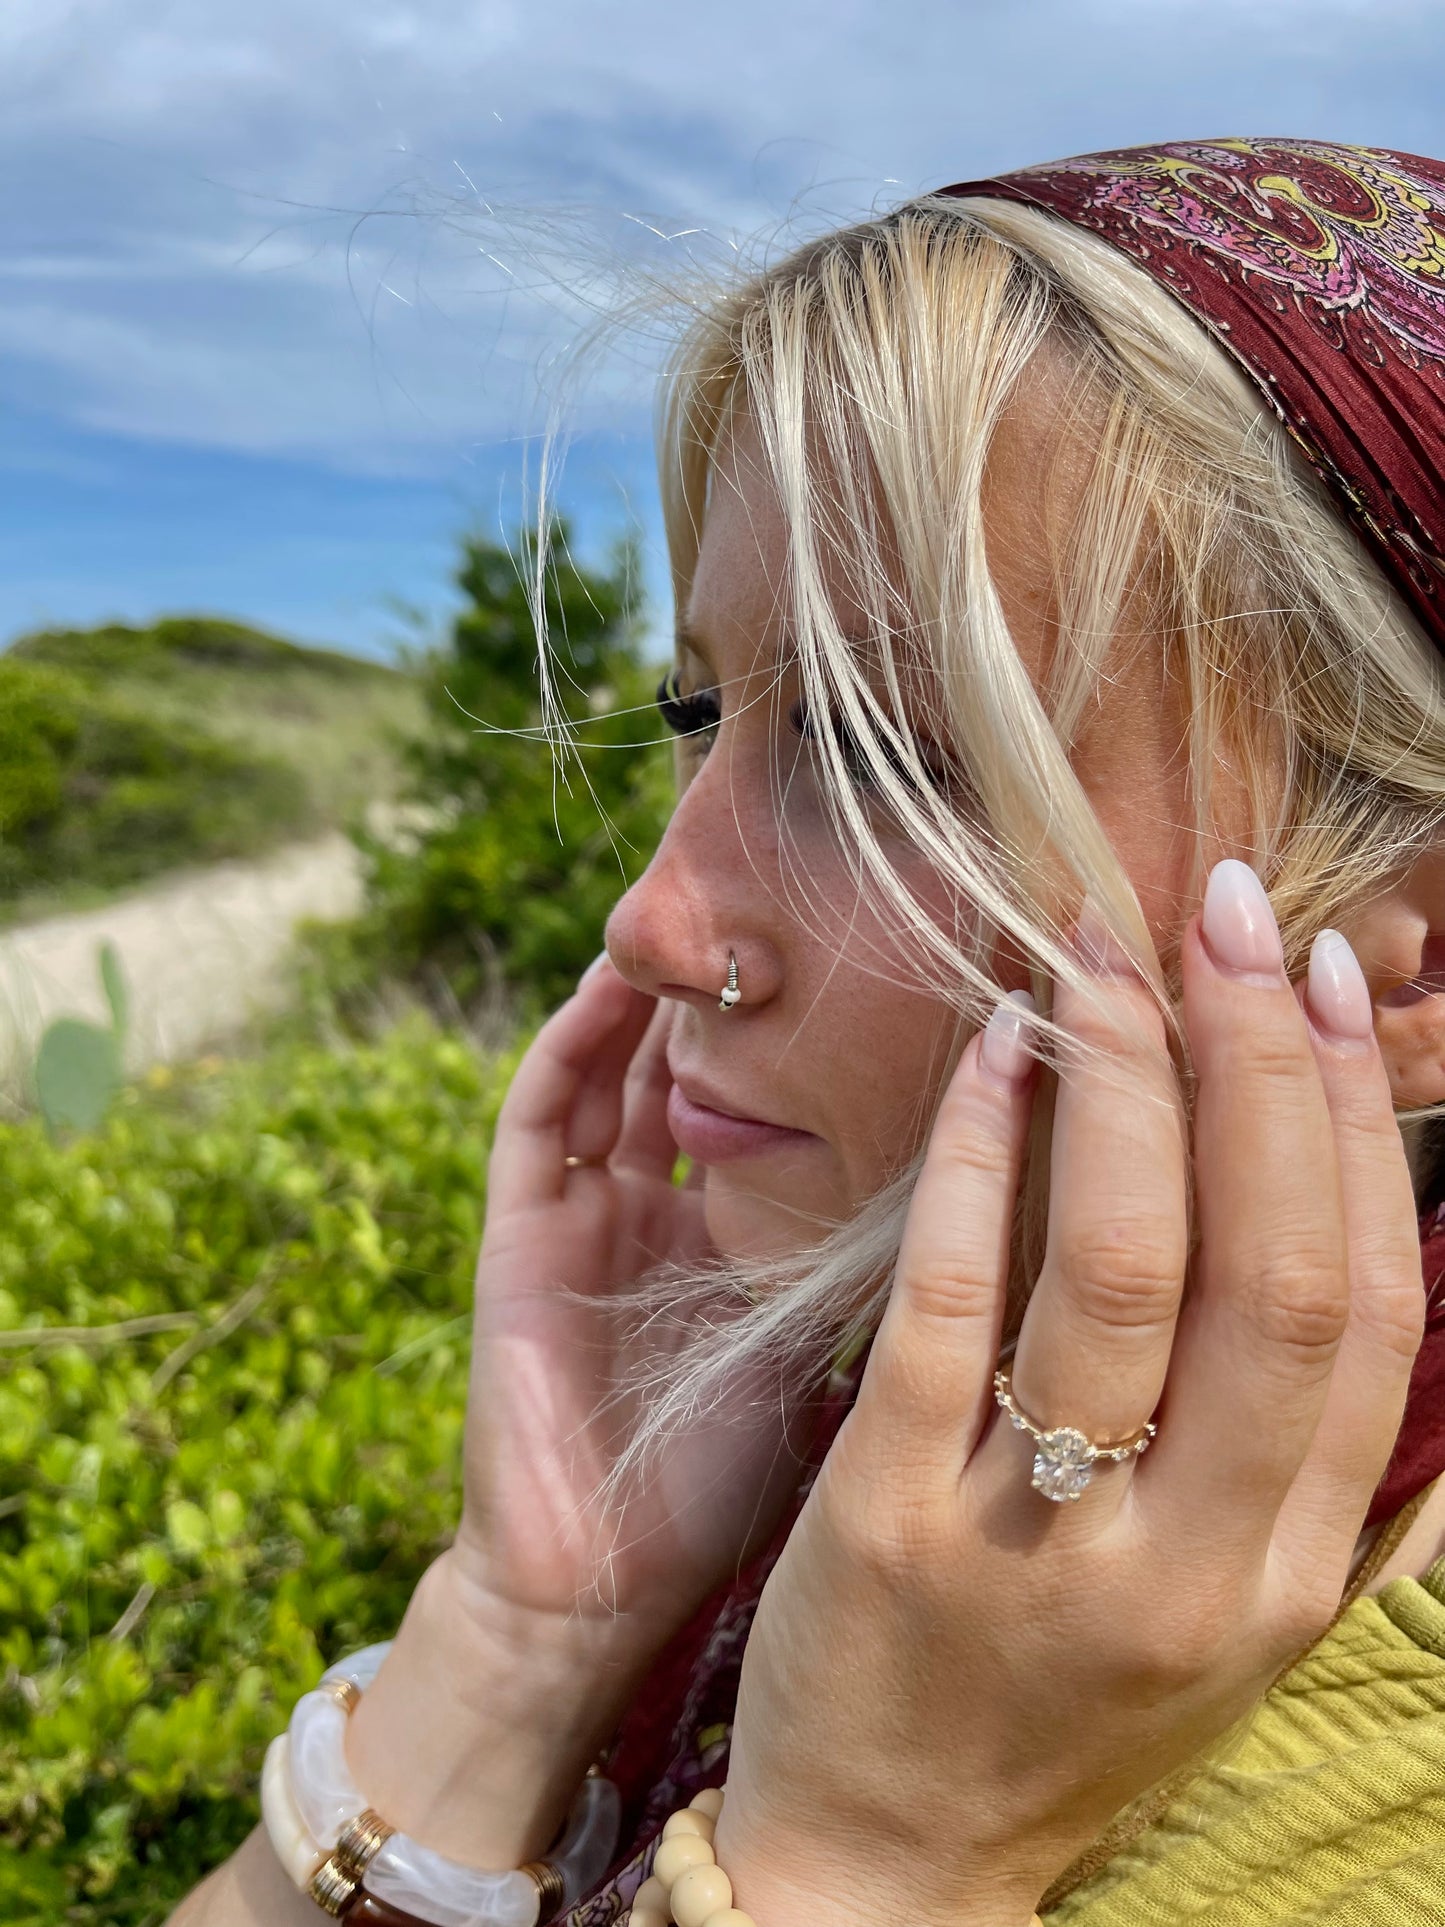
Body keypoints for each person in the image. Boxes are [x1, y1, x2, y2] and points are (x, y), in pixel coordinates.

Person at [174, 137, 1445, 1927]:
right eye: (699, 709)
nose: (654, 921)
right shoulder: (826, 1495)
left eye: (885, 754)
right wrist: (525, 1638)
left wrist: (873, 1856)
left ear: (1424, 957)